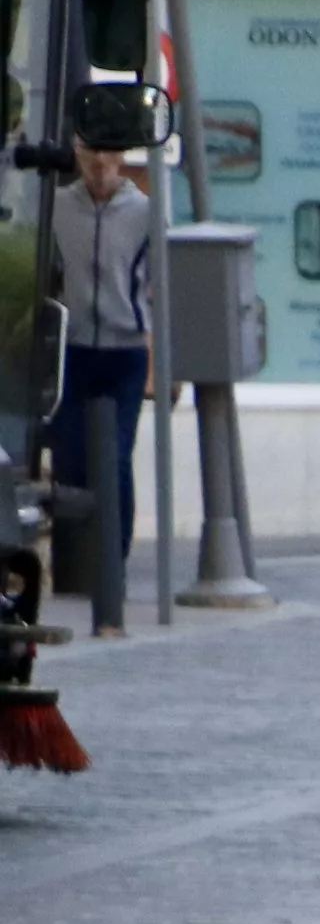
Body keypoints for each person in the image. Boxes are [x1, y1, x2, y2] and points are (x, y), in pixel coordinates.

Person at [46, 137, 153, 632]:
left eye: (109, 153)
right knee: (69, 459)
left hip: (125, 350)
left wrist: (158, 364)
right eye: (90, 152)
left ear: (123, 156)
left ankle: (114, 566)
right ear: (76, 151)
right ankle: (75, 568)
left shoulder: (145, 214)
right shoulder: (58, 207)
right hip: (72, 348)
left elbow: (159, 288)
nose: (99, 164)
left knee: (115, 460)